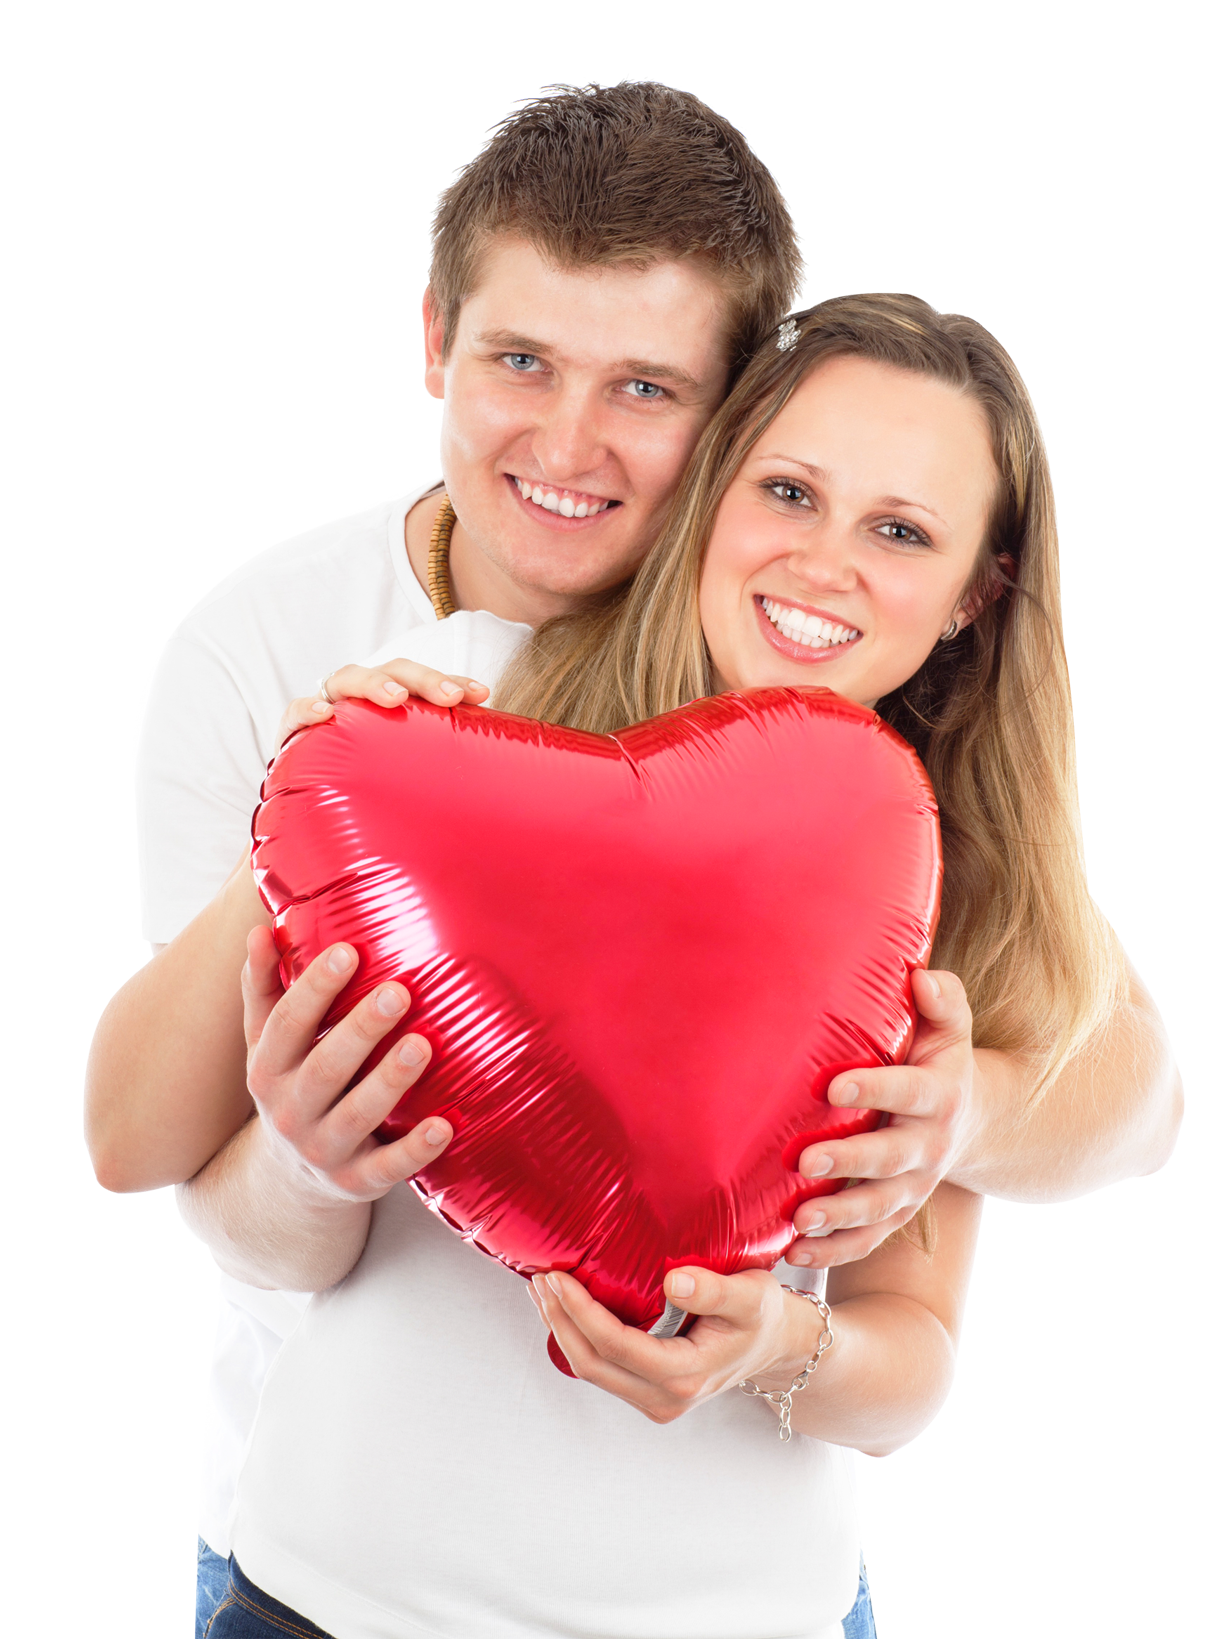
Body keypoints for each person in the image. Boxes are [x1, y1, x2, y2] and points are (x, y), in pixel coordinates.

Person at [100, 295, 1179, 1638]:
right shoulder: (455, 711)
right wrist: (308, 1153)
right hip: (332, 1603)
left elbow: (913, 1343)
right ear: (717, 493)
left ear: (974, 592)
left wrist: (786, 1350)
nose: (825, 558)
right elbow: (178, 1180)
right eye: (789, 489)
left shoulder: (939, 877)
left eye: (899, 530)